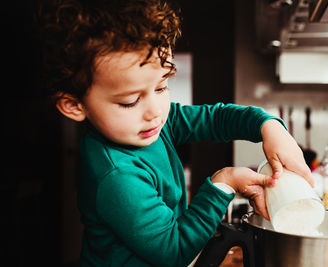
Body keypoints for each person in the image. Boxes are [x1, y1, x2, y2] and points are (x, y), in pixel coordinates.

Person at [36, 0, 313, 266]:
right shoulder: (117, 175)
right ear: (74, 104)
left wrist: (268, 126)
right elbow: (173, 251)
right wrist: (224, 183)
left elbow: (217, 119)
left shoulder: (153, 122)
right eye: (130, 101)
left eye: (161, 87)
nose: (155, 111)